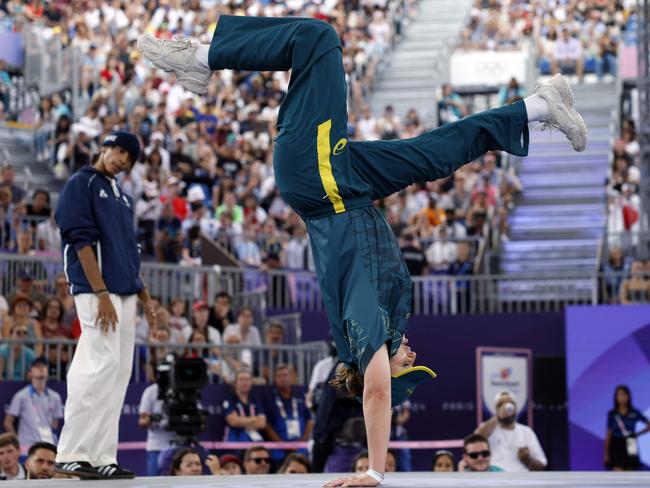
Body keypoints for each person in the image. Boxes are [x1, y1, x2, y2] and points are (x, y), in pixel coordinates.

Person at [139, 18, 586, 486]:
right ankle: (537, 107)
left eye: (406, 369)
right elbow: (378, 384)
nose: (412, 358)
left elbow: (376, 393)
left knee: (317, 38)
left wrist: (374, 470)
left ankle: (199, 60)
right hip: (347, 186)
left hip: (321, 182)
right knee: (434, 154)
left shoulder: (365, 332)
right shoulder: (380, 321)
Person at [53, 131, 157, 480]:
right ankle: (71, 452)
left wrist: (146, 299)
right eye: (120, 151)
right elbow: (79, 240)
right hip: (97, 290)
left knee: (118, 373)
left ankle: (100, 456)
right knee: (96, 364)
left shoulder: (123, 197)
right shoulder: (80, 184)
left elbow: (130, 252)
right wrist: (100, 294)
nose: (123, 159)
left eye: (130, 157)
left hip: (125, 291)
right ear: (106, 146)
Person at [475, 391, 547, 472]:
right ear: (496, 409)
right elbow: (475, 440)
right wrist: (499, 416)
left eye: (510, 403)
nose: (506, 406)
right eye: (500, 404)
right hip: (495, 478)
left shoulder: (526, 432)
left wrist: (527, 459)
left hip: (521, 479)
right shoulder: (488, 428)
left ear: (516, 407)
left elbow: (541, 465)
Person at [3, 358, 64, 449]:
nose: (40, 369)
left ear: (47, 372)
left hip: (48, 444)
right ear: (29, 374)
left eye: (43, 366)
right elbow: (8, 422)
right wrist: (17, 442)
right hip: (26, 445)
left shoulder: (55, 397)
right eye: (36, 367)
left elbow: (55, 424)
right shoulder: (21, 396)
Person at [264, 364, 314, 464]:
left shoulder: (300, 396)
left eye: (285, 375)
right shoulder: (270, 399)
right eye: (279, 376)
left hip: (301, 449)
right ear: (274, 379)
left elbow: (310, 420)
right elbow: (267, 426)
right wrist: (282, 445)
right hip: (279, 451)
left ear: (291, 377)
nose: (283, 378)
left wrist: (303, 440)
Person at [604, 385, 650, 471]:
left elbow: (648, 425)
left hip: (630, 442)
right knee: (618, 474)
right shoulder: (612, 413)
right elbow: (609, 433)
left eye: (624, 394)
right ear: (616, 397)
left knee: (630, 473)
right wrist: (606, 454)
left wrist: (638, 434)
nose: (622, 398)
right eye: (619, 395)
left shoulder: (634, 412)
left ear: (628, 396)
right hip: (616, 443)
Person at [138, 382, 176, 476]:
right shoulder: (151, 391)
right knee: (155, 483)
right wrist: (151, 419)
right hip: (157, 447)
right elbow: (142, 420)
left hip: (181, 446)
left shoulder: (186, 388)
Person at [222, 370, 266, 443]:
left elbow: (262, 423)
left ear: (251, 382)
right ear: (235, 383)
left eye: (247, 379)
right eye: (241, 379)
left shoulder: (255, 399)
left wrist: (241, 422)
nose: (244, 382)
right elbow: (234, 422)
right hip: (235, 438)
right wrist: (255, 419)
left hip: (253, 438)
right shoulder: (229, 400)